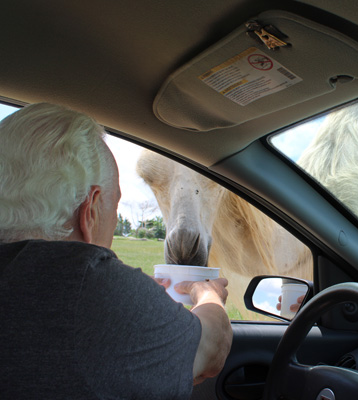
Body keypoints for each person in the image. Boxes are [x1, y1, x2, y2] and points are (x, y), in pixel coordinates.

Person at [0, 103, 232, 398]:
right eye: (115, 203)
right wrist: (210, 296)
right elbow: (211, 350)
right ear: (92, 210)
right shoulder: (93, 289)